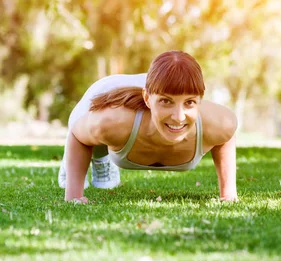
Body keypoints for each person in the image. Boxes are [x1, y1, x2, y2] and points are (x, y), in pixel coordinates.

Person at [58, 50, 238, 203]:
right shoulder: (111, 121)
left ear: (200, 101)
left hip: (155, 88)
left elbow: (227, 138)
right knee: (92, 135)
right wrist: (74, 195)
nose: (178, 117)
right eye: (166, 101)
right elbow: (77, 135)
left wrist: (228, 194)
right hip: (107, 93)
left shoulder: (220, 123)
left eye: (190, 102)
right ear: (147, 99)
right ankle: (100, 159)